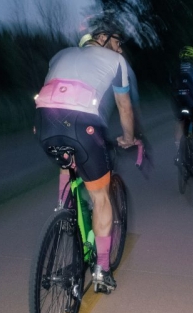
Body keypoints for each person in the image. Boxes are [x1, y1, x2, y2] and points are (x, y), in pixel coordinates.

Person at [34, 15, 137, 293]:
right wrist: (128, 138)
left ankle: (63, 211)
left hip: (44, 124)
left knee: (67, 159)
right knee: (100, 196)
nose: (121, 49)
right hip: (83, 127)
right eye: (117, 42)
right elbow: (124, 108)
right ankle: (102, 269)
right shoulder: (117, 63)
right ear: (102, 39)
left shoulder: (60, 55)